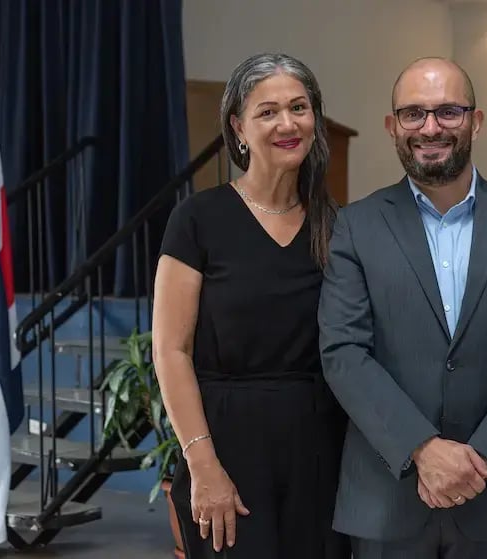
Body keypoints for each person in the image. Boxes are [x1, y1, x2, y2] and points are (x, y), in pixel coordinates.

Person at [317, 57, 487, 558]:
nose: (430, 127)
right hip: (387, 497)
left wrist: (477, 459)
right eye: (413, 114)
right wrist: (422, 448)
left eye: (448, 112)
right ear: (393, 127)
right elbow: (344, 351)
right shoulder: (355, 227)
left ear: (475, 121)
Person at [151, 52, 350, 558]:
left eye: (299, 108)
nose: (288, 123)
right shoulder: (197, 219)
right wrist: (203, 465)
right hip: (226, 452)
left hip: (320, 455)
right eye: (268, 112)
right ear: (238, 127)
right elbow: (170, 350)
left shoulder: (339, 226)